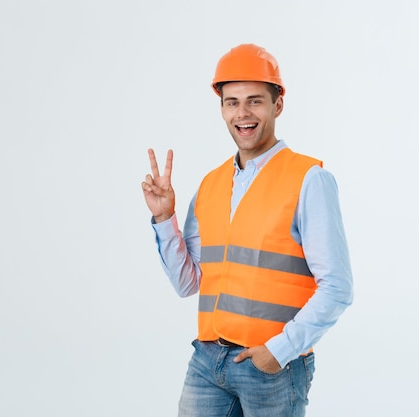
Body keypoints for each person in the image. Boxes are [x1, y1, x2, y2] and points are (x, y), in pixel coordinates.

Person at [141, 43, 353, 417]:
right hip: (208, 361)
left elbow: (337, 287)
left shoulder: (309, 180)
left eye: (255, 101)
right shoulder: (211, 184)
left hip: (272, 367)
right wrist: (164, 219)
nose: (243, 113)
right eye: (232, 102)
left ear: (277, 105)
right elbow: (188, 283)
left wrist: (280, 351)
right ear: (222, 109)